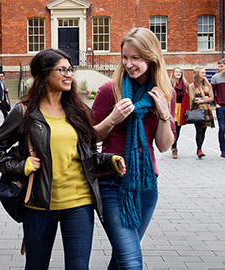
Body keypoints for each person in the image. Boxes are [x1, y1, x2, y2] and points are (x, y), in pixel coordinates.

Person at [0, 49, 126, 270]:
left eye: (70, 69)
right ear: (43, 74)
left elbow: (88, 155)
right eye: (62, 69)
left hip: (79, 203)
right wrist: (22, 167)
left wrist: (110, 160)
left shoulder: (79, 112)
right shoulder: (24, 112)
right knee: (36, 265)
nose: (68, 74)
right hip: (39, 205)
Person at [92, 27, 175, 269]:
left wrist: (163, 114)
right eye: (125, 57)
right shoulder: (110, 90)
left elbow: (163, 145)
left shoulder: (162, 93)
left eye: (136, 58)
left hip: (146, 186)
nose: (129, 64)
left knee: (122, 258)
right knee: (131, 259)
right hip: (111, 183)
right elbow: (89, 137)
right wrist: (113, 118)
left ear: (151, 57)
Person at [189, 67, 215, 159]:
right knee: (199, 130)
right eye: (202, 73)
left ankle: (200, 147)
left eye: (205, 72)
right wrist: (202, 100)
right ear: (197, 74)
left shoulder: (208, 85)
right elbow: (193, 98)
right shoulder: (192, 86)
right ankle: (199, 149)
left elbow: (212, 98)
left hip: (207, 109)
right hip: (197, 110)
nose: (204, 74)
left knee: (204, 131)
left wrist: (202, 99)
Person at [169, 67, 190, 159]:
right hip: (172, 108)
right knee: (172, 128)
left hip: (181, 108)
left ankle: (174, 146)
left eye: (180, 72)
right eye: (176, 72)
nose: (178, 73)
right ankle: (173, 147)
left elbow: (187, 98)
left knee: (178, 129)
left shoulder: (185, 84)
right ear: (173, 73)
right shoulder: (170, 84)